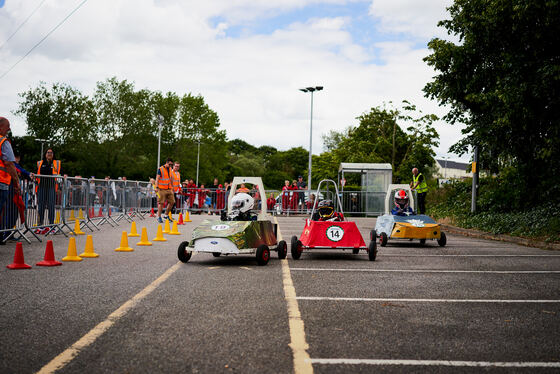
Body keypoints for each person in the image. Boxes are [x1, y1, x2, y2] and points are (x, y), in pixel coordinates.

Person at [0, 118, 21, 244]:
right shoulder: (3, 141)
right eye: (7, 126)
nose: (9, 129)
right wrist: (17, 181)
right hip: (2, 182)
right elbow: (9, 163)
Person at [36, 148, 61, 226]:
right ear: (45, 154)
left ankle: (51, 225)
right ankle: (40, 225)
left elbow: (60, 174)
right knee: (41, 206)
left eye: (51, 152)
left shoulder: (56, 163)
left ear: (53, 154)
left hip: (51, 187)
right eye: (48, 152)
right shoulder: (40, 163)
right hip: (42, 187)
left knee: (51, 206)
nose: (49, 154)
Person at [155, 157, 175, 223]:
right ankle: (159, 217)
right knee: (161, 203)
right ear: (166, 163)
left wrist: (172, 187)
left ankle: (166, 215)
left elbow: (171, 178)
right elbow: (157, 179)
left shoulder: (170, 169)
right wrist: (156, 187)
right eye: (169, 164)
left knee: (172, 202)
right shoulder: (160, 169)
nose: (170, 166)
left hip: (168, 188)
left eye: (171, 165)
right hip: (161, 189)